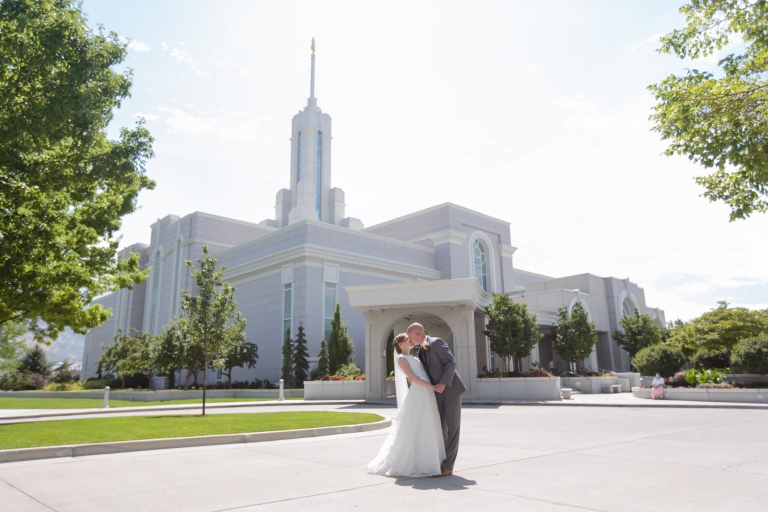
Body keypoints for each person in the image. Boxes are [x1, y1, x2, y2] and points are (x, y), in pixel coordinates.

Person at [365, 334, 445, 477]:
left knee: (428, 422)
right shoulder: (401, 359)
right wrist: (431, 386)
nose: (410, 340)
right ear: (400, 344)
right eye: (406, 339)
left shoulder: (415, 357)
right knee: (418, 422)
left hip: (427, 391)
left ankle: (430, 460)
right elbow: (412, 377)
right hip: (420, 390)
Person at [408, 322, 466, 477]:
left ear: (418, 335)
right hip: (436, 393)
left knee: (453, 429)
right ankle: (439, 461)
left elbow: (451, 362)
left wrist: (443, 383)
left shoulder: (436, 342)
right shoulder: (420, 351)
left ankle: (448, 467)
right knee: (440, 428)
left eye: (410, 337)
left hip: (451, 390)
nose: (409, 340)